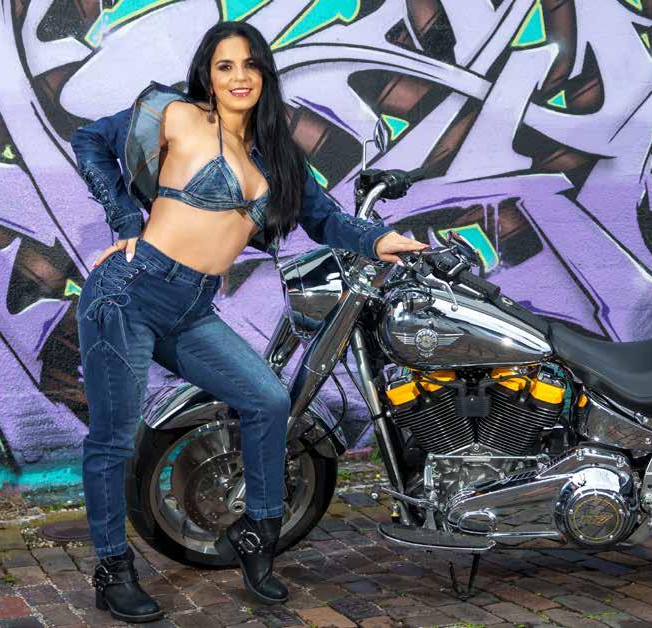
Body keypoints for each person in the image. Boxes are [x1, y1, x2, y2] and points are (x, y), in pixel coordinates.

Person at [70, 20, 427, 623]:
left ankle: (257, 534)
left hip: (191, 307)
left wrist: (379, 239)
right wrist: (126, 221)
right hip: (129, 293)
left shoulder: (277, 155)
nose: (240, 77)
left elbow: (325, 219)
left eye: (250, 65)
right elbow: (90, 140)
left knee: (267, 400)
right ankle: (113, 570)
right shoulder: (178, 114)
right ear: (207, 76)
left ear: (265, 73)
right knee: (113, 439)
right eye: (225, 66)